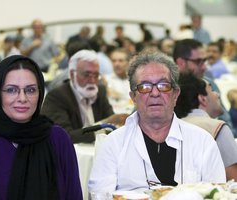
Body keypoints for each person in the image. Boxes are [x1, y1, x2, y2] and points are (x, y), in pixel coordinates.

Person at [88, 50, 225, 194]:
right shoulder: (114, 144)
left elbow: (216, 195)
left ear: (175, 95)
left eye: (163, 86)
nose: (154, 93)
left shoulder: (202, 142)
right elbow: (100, 195)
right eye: (145, 87)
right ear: (133, 97)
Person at [0, 55, 83, 200]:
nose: (22, 98)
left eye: (31, 90)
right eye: (11, 90)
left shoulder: (58, 139)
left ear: (40, 94)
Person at [41, 50, 128, 143]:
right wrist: (103, 126)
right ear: (72, 74)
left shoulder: (99, 92)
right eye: (86, 75)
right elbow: (65, 136)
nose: (92, 80)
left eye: (96, 75)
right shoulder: (57, 97)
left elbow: (112, 124)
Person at [174, 72, 237, 181]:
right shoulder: (218, 127)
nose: (217, 94)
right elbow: (233, 180)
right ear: (202, 99)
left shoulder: (172, 127)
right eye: (212, 90)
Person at [173, 38, 235, 135]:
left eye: (204, 61)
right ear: (181, 62)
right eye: (198, 61)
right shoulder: (168, 90)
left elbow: (227, 123)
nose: (204, 67)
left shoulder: (208, 84)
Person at [103, 48, 133, 114]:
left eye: (120, 61)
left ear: (128, 62)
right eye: (114, 61)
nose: (116, 64)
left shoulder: (134, 80)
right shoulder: (105, 80)